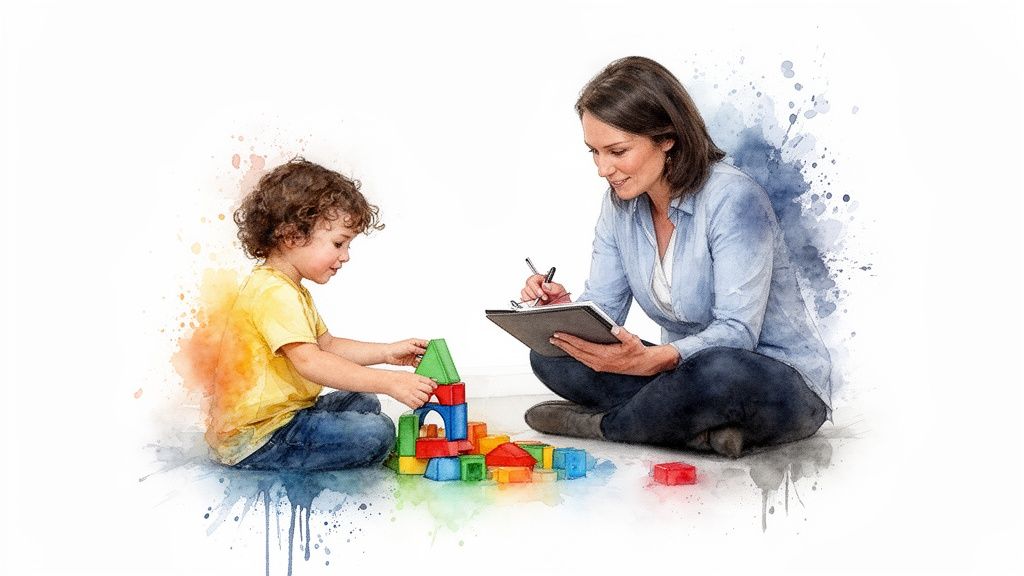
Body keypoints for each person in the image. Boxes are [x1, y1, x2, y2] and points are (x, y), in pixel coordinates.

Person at [521, 57, 831, 458]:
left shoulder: (733, 198)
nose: (603, 169)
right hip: (678, 374)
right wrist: (565, 312)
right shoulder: (620, 206)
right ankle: (703, 430)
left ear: (667, 138)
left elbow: (738, 332)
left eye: (617, 151)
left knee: (718, 371)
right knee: (553, 354)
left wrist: (658, 360)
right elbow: (605, 312)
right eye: (594, 152)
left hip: (770, 380)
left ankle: (606, 426)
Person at [208, 158, 437, 471]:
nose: (345, 256)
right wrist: (388, 381)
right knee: (377, 432)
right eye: (339, 243)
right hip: (259, 436)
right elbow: (310, 361)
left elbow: (326, 346)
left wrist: (386, 353)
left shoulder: (290, 288)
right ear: (292, 236)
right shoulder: (273, 293)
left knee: (363, 401)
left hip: (288, 414)